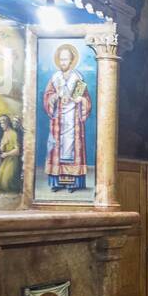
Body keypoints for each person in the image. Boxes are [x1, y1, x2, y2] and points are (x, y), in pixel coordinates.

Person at [42, 44, 91, 191]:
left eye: (66, 59)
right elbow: (47, 96)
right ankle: (56, 183)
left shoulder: (78, 78)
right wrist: (55, 97)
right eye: (61, 59)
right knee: (56, 148)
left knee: (73, 148)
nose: (63, 62)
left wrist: (80, 100)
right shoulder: (55, 78)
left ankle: (73, 183)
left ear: (71, 60)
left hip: (73, 120)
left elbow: (85, 99)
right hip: (58, 121)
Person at [0, 114, 22, 192]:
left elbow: (17, 151)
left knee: (6, 183)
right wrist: (3, 144)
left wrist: (7, 154)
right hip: (6, 160)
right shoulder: (5, 133)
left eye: (3, 123)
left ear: (7, 123)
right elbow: (2, 149)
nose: (1, 125)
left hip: (13, 160)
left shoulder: (13, 134)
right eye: (0, 123)